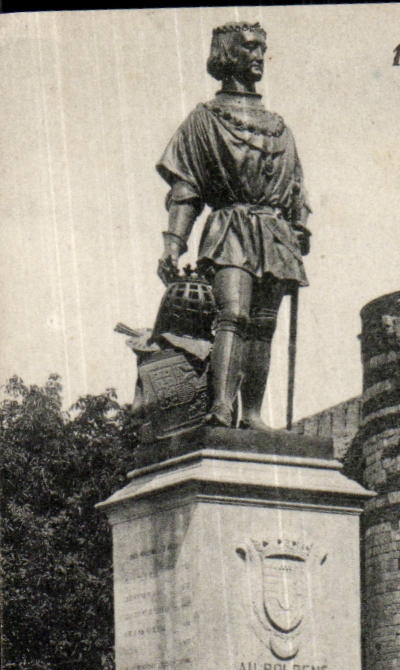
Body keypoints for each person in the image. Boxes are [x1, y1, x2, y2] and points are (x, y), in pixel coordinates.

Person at [156, 21, 310, 428]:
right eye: (248, 47)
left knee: (263, 324)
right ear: (226, 53)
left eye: (261, 47)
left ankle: (254, 414)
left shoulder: (280, 126)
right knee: (233, 315)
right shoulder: (203, 120)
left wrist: (300, 226)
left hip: (274, 234)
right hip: (230, 228)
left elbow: (296, 187)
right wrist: (174, 242)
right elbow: (187, 187)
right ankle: (222, 407)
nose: (258, 55)